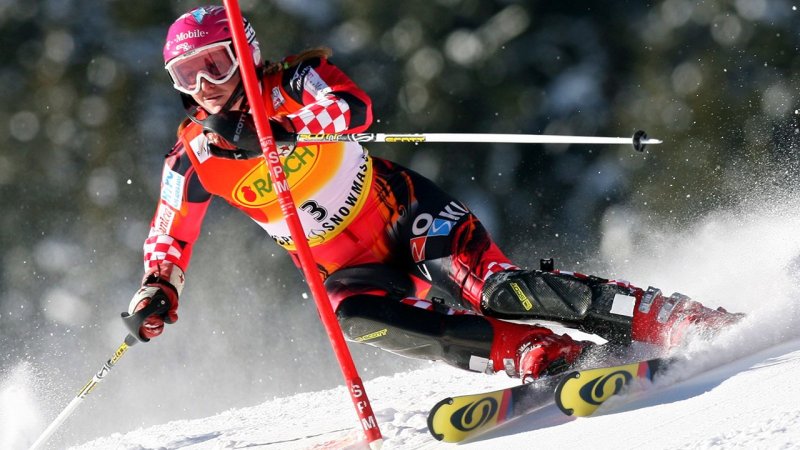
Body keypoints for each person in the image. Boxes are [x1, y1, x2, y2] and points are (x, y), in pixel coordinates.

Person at [126, 5, 742, 384]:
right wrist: (158, 289)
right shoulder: (193, 157)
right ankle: (532, 351)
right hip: (345, 266)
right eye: (188, 75)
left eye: (217, 64)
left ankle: (662, 318)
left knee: (502, 290)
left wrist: (285, 129)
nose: (206, 86)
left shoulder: (293, 83)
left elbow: (352, 107)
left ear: (248, 55)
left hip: (403, 214)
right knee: (355, 318)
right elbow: (168, 237)